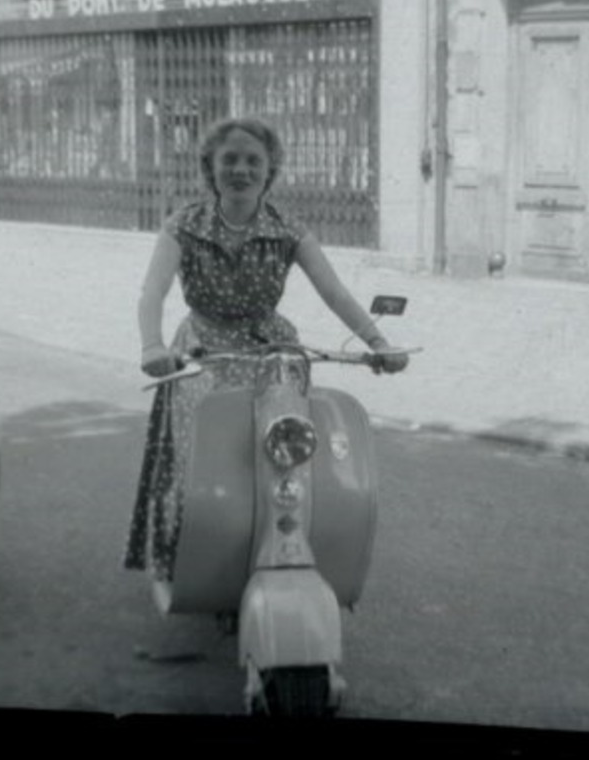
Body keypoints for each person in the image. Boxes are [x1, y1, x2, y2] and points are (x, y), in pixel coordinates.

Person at [124, 116, 408, 590]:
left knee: (289, 447)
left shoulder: (287, 228)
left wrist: (377, 344)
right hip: (204, 348)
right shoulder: (183, 225)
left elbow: (334, 292)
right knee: (200, 452)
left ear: (269, 169)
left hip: (271, 348)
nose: (241, 169)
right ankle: (191, 548)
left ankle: (286, 533)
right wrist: (152, 344)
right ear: (210, 168)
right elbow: (151, 292)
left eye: (253, 161)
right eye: (229, 159)